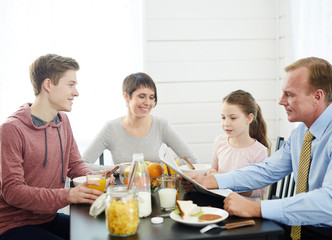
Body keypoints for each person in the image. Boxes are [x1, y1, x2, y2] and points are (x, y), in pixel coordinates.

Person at [181, 57, 332, 239]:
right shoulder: (301, 133)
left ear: (317, 96)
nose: (281, 101)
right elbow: (266, 170)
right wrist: (210, 181)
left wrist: (255, 208)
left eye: (289, 94)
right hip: (304, 224)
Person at [0, 54, 109, 240]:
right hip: (14, 224)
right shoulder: (12, 129)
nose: (76, 92)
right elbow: (12, 191)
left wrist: (95, 177)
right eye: (70, 84)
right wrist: (68, 195)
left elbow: (75, 165)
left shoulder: (62, 121)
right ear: (48, 85)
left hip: (47, 217)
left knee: (103, 233)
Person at [82, 72, 199, 171]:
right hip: (124, 193)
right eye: (142, 96)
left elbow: (192, 161)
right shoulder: (111, 128)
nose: (147, 103)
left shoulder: (161, 125)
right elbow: (83, 165)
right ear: (127, 97)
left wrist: (156, 169)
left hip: (156, 191)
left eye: (151, 97)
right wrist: (121, 169)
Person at [205, 89, 270, 201]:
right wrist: (212, 174)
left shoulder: (259, 151)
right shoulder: (219, 142)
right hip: (220, 206)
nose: (226, 123)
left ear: (249, 118)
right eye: (223, 117)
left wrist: (228, 185)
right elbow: (213, 169)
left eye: (233, 118)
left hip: (246, 211)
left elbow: (260, 191)